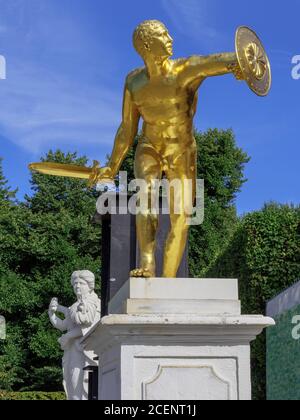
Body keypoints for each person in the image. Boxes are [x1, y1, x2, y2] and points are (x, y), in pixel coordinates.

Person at [98, 20, 243, 279]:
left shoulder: (185, 69)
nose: (170, 38)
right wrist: (112, 164)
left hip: (182, 150)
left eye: (167, 32)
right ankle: (147, 264)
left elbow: (217, 61)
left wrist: (240, 64)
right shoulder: (134, 82)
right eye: (162, 34)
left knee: (181, 216)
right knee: (145, 199)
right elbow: (127, 128)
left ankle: (169, 279)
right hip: (150, 146)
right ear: (146, 45)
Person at [48, 270, 100, 400]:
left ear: (90, 285)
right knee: (72, 386)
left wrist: (67, 336)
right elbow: (63, 325)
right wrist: (52, 314)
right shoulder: (74, 306)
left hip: (84, 352)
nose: (77, 286)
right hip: (72, 352)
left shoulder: (95, 303)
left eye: (81, 283)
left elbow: (88, 327)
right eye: (75, 283)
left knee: (81, 387)